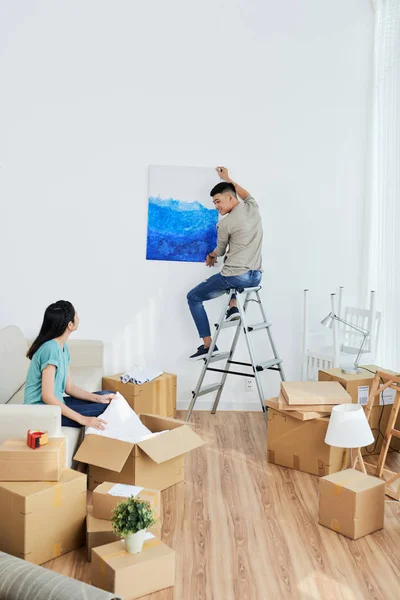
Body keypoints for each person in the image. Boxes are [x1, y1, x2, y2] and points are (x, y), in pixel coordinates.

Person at [187, 166, 263, 360]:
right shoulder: (252, 207)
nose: (216, 207)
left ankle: (208, 345)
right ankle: (233, 306)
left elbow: (220, 251)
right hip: (256, 276)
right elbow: (245, 194)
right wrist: (228, 179)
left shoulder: (225, 224)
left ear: (230, 197)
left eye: (218, 201)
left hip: (236, 277)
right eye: (214, 203)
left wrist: (211, 255)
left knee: (193, 297)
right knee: (234, 280)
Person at [24, 300, 115, 430]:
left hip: (55, 405)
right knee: (108, 407)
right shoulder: (50, 349)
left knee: (108, 395)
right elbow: (47, 396)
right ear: (70, 325)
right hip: (42, 411)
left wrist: (98, 398)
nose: (78, 315)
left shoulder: (62, 347)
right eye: (75, 313)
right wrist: (83, 419)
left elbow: (70, 388)